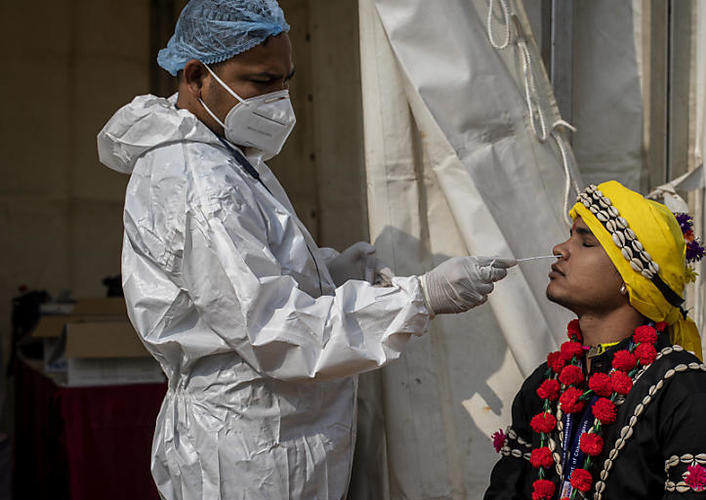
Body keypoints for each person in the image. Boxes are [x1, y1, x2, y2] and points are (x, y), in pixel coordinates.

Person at [96, 1, 513, 498]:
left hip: (271, 433)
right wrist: (419, 297)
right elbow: (274, 331)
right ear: (195, 75)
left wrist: (333, 272)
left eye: (285, 80)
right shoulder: (198, 183)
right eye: (261, 82)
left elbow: (251, 278)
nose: (280, 98)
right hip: (248, 449)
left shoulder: (224, 152)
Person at [486, 181, 706, 499]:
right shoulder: (545, 386)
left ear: (632, 278)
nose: (560, 249)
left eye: (586, 242)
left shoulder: (686, 395)